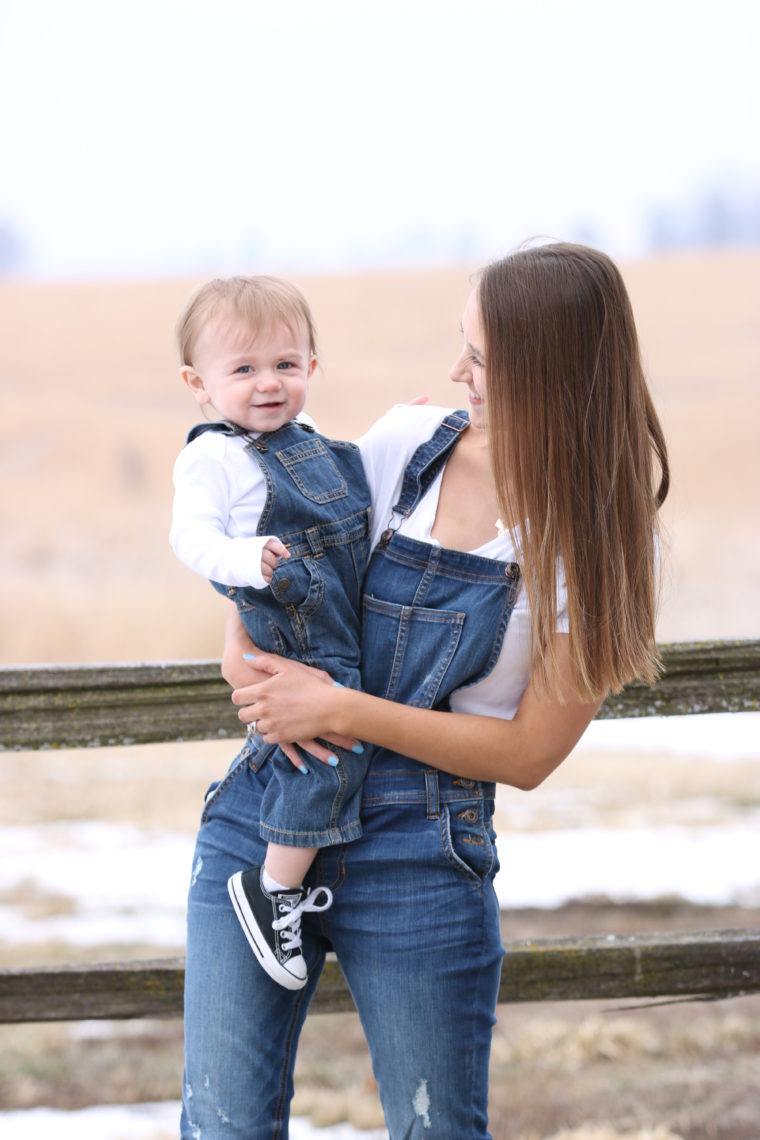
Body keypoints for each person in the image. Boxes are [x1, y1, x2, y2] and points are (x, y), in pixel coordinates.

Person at [180, 242, 669, 1139]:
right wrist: (247, 644)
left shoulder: (593, 541)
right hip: (265, 816)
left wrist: (339, 708)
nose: (455, 373)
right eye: (463, 347)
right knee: (221, 1129)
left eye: (481, 358)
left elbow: (528, 755)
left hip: (423, 849)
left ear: (550, 368)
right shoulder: (406, 444)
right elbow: (294, 568)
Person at [170, 275, 374, 990]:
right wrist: (243, 562)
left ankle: (286, 879)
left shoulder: (310, 439)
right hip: (286, 618)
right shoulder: (213, 457)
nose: (269, 384)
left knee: (333, 741)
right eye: (245, 369)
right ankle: (274, 887)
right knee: (327, 752)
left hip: (338, 616)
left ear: (312, 367)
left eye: (286, 365)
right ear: (200, 383)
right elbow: (189, 537)